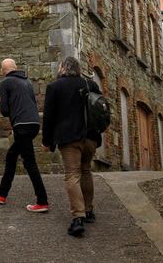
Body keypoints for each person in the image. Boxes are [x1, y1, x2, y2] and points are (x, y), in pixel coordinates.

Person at [41, 56, 103, 237]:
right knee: (86, 171)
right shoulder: (90, 85)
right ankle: (89, 211)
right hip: (91, 137)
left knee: (72, 175)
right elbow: (100, 109)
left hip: (69, 139)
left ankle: (78, 218)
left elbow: (49, 117)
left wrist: (47, 141)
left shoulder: (55, 87)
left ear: (62, 69)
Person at [0, 58, 49, 212]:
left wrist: (1, 100)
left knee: (30, 163)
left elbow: (4, 111)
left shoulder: (5, 83)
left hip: (21, 126)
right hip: (34, 124)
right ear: (16, 68)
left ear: (3, 71)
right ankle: (2, 193)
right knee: (11, 155)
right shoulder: (27, 82)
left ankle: (42, 201)